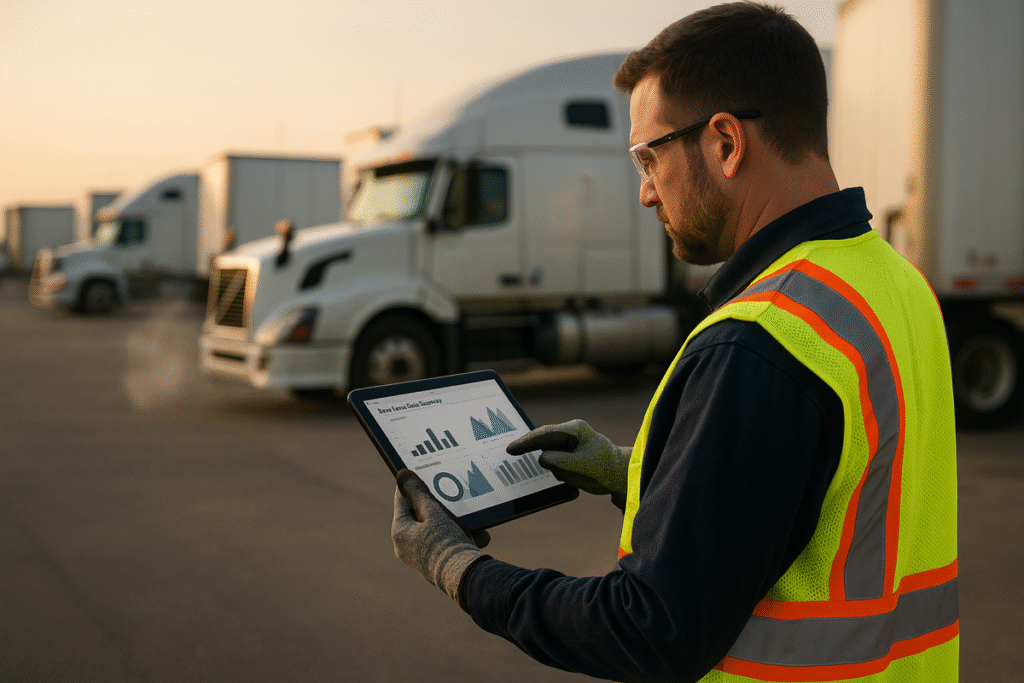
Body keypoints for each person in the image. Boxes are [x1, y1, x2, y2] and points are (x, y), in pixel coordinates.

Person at [391, 3, 960, 681]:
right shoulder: (893, 282)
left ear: (725, 142)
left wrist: (460, 569)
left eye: (647, 156)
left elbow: (647, 627)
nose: (645, 194)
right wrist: (630, 470)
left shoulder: (761, 343)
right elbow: (808, 487)